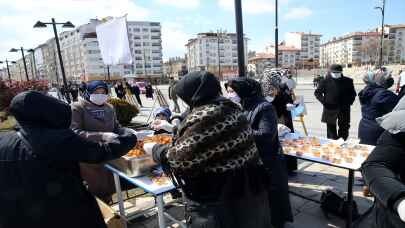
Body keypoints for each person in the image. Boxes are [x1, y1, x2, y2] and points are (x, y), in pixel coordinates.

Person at [143, 71, 272, 228]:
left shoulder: (206, 116)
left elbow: (179, 160)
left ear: (194, 94)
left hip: (221, 199)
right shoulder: (230, 107)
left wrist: (155, 149)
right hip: (248, 190)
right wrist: (177, 122)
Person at [0, 91, 136, 228]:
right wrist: (129, 137)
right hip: (62, 211)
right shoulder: (56, 140)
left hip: (16, 216)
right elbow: (100, 152)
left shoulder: (4, 140)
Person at [227, 77, 293, 228]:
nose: (229, 95)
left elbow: (266, 135)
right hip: (253, 160)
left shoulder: (264, 107)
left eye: (232, 91)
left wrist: (239, 131)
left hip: (268, 161)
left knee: (272, 198)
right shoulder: (241, 105)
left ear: (244, 91)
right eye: (228, 91)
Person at [70, 80, 129, 201]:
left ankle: (110, 214)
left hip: (108, 154)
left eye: (103, 92)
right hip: (89, 157)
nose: (100, 95)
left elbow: (116, 127)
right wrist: (101, 136)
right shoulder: (78, 107)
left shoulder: (109, 108)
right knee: (94, 191)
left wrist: (128, 133)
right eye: (97, 92)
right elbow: (75, 132)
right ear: (88, 92)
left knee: (109, 186)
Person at [354, 97, 405, 228]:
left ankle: (365, 183)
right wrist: (400, 200)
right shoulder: (386, 95)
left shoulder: (369, 92)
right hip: (376, 128)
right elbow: (376, 163)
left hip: (367, 126)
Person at [261, 70, 298, 174]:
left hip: (283, 117)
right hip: (272, 118)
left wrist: (289, 104)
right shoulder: (263, 89)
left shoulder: (281, 86)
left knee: (286, 141)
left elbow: (286, 99)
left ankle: (288, 167)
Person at [315, 64, 357, 140]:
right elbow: (317, 93)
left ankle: (342, 142)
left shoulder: (348, 81)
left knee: (344, 127)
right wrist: (324, 101)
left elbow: (353, 94)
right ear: (330, 72)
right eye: (334, 72)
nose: (336, 74)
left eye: (338, 72)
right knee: (331, 129)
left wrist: (349, 102)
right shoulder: (325, 81)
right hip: (330, 108)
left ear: (341, 72)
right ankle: (332, 144)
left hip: (344, 108)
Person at [358, 69, 399, 145]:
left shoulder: (367, 91)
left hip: (364, 127)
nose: (391, 80)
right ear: (383, 81)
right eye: (389, 78)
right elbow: (398, 108)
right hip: (378, 131)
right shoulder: (384, 94)